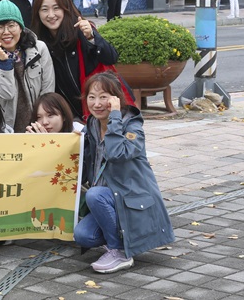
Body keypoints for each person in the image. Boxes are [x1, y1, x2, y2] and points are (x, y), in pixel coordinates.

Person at [75, 71, 174, 273]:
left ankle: (119, 251)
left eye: (104, 97)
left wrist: (115, 117)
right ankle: (121, 236)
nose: (97, 103)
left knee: (95, 195)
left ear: (116, 99)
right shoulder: (93, 124)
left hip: (131, 199)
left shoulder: (133, 125)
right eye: (92, 97)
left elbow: (117, 153)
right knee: (83, 236)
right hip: (110, 199)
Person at [30, 0, 119, 121]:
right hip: (64, 116)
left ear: (66, 8)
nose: (51, 15)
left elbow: (111, 57)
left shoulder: (81, 31)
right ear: (37, 13)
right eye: (44, 9)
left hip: (93, 110)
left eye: (56, 8)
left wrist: (92, 36)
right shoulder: (37, 43)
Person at [0, 0, 54, 133]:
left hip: (38, 125)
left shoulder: (39, 49)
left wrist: (42, 122)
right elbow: (4, 95)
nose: (6, 32)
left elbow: (48, 90)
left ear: (20, 27)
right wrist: (4, 64)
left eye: (11, 25)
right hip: (6, 128)